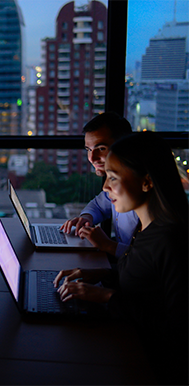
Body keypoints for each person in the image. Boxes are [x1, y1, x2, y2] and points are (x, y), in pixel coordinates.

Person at [54, 132, 189, 383]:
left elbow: (177, 330)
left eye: (113, 178)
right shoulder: (147, 228)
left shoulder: (170, 241)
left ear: (147, 182)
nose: (105, 187)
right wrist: (102, 275)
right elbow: (147, 282)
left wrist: (107, 296)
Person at [60, 112, 138, 258]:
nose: (92, 158)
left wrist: (108, 245)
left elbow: (150, 262)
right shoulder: (116, 185)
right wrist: (87, 217)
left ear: (124, 146)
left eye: (101, 148)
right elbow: (99, 205)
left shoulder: (140, 193)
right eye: (88, 150)